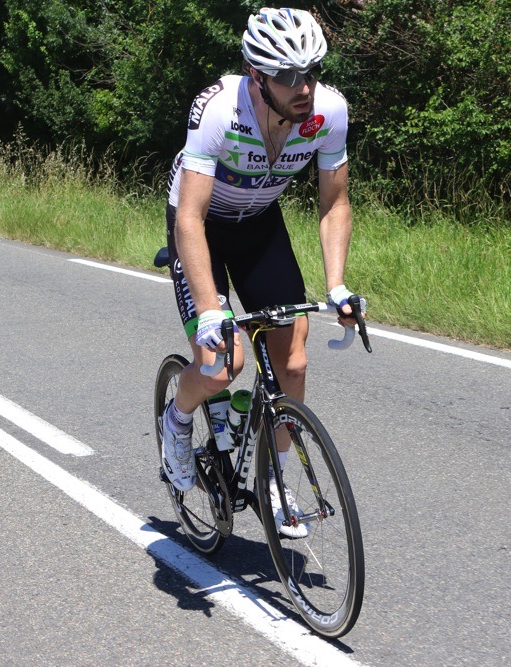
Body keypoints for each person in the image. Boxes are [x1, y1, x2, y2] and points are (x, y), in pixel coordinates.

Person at [162, 7, 363, 538]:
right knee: (221, 364)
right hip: (201, 225)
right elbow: (189, 217)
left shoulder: (329, 112)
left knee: (292, 363)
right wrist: (211, 310)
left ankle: (273, 478)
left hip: (259, 225)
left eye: (311, 72)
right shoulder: (218, 110)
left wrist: (337, 285)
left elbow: (334, 203)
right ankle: (177, 422)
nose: (304, 87)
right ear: (256, 75)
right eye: (289, 76)